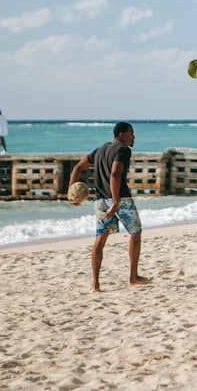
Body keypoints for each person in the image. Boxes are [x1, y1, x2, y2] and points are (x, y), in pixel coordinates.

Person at [68, 121, 151, 292]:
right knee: (135, 233)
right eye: (131, 133)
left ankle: (95, 284)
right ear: (122, 134)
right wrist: (116, 202)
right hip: (121, 199)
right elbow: (115, 174)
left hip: (100, 201)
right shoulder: (123, 150)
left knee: (100, 239)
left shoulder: (100, 150)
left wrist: (70, 192)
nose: (134, 137)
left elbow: (77, 167)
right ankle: (133, 277)